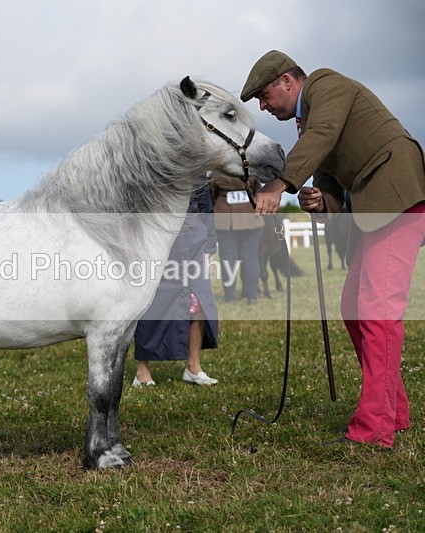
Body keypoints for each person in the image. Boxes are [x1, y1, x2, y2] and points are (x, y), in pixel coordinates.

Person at [241, 50, 425, 448]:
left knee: (376, 309)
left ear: (287, 81)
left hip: (396, 195)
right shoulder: (309, 121)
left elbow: (322, 136)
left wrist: (280, 185)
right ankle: (392, 412)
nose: (262, 106)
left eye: (264, 95)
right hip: (376, 207)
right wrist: (320, 201)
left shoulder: (326, 85)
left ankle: (373, 429)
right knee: (355, 306)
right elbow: (329, 184)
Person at [133, 187, 219, 387]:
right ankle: (142, 371)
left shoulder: (199, 174)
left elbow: (206, 209)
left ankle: (193, 367)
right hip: (161, 242)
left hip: (194, 244)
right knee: (153, 306)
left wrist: (210, 243)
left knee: (198, 303)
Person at [211, 173, 263, 304]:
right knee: (251, 257)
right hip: (250, 216)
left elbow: (212, 193)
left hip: (224, 218)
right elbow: (258, 189)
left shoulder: (218, 171)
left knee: (227, 259)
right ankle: (251, 296)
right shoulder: (251, 169)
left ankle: (229, 296)